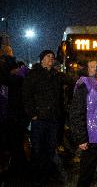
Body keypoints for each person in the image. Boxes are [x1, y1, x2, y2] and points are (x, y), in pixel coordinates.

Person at [22, 50, 67, 186]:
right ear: (41, 59)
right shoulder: (33, 74)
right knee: (37, 149)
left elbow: (70, 80)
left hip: (53, 119)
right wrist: (33, 114)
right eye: (48, 57)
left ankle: (47, 175)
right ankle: (35, 177)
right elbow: (26, 95)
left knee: (50, 148)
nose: (51, 59)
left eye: (53, 57)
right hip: (39, 119)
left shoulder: (56, 75)